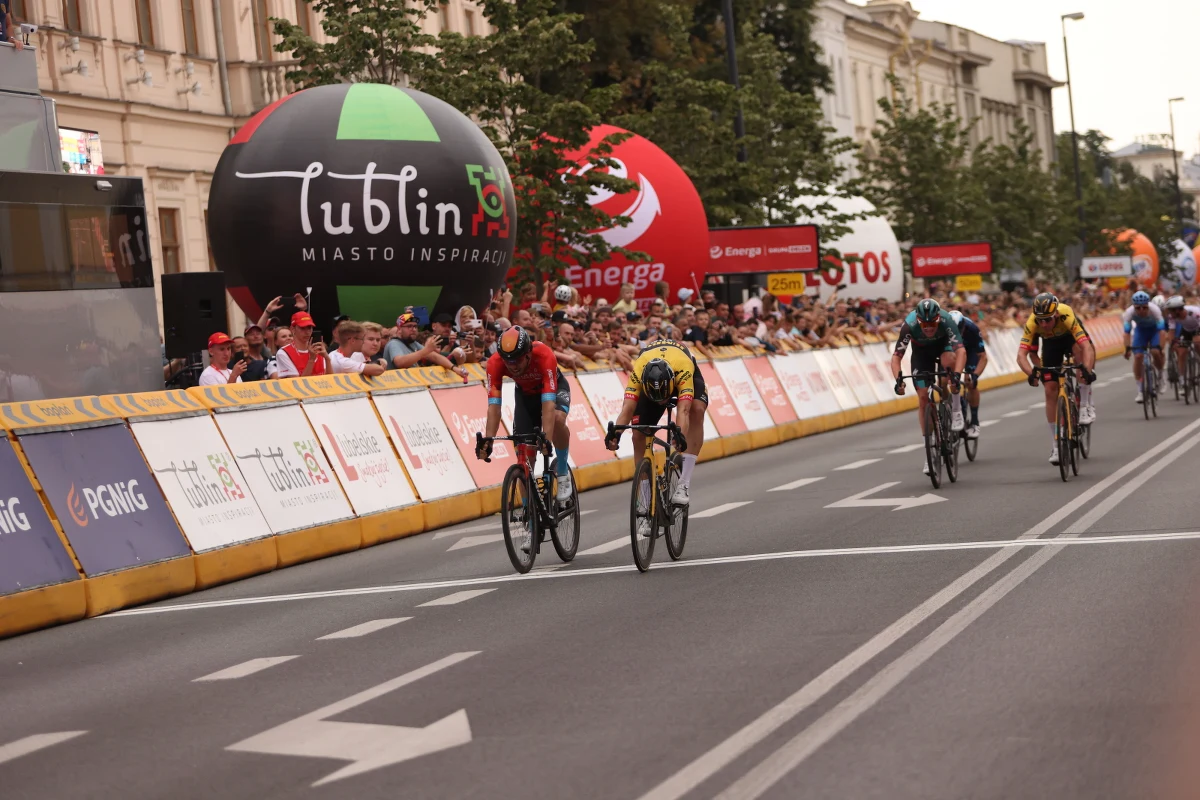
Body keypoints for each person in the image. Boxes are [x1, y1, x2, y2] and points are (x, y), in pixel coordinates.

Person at [605, 337, 708, 511]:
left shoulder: (683, 370)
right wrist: (616, 434)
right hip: (652, 379)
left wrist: (679, 435)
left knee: (696, 410)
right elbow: (627, 408)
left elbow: (683, 410)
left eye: (663, 398)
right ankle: (644, 500)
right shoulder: (638, 372)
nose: (661, 402)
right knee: (638, 434)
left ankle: (683, 484)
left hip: (680, 368)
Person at [477, 327, 575, 506]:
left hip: (553, 389)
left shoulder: (544, 354)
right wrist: (488, 440)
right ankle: (528, 514)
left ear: (528, 353)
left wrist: (546, 438)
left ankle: (562, 473)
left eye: (517, 360)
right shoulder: (495, 363)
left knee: (557, 419)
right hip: (525, 396)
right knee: (524, 458)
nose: (513, 366)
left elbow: (548, 403)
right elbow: (494, 407)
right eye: (508, 361)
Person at [1016, 292, 1097, 465]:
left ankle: (1084, 406)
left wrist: (1087, 371)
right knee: (1049, 389)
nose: (1044, 324)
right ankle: (1056, 444)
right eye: (1040, 320)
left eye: (1048, 320)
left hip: (1070, 338)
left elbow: (1087, 347)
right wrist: (1031, 373)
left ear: (1056, 315)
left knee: (1080, 357)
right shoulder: (1032, 322)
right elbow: (1022, 355)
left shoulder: (1066, 314)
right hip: (1051, 344)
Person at [890, 299, 967, 476]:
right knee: (923, 397)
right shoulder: (909, 325)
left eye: (932, 323)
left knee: (950, 363)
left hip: (943, 347)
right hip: (921, 354)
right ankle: (929, 451)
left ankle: (955, 408)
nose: (929, 328)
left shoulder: (947, 320)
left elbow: (961, 351)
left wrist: (956, 375)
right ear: (918, 321)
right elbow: (896, 358)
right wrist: (898, 380)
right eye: (924, 324)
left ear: (938, 318)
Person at [383, 313, 470, 379]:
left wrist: (455, 369)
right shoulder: (393, 343)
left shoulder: (413, 343)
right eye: (409, 326)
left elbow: (436, 357)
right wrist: (426, 350)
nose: (413, 329)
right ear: (399, 329)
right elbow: (400, 362)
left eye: (415, 326)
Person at [949, 310, 989, 439]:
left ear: (963, 326)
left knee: (970, 383)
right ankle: (954, 406)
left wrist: (975, 375)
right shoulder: (943, 328)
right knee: (945, 380)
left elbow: (983, 357)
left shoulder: (972, 329)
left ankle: (975, 422)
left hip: (970, 351)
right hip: (952, 351)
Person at [1121, 290, 1165, 404]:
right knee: (1138, 356)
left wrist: (1161, 347)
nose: (1141, 310)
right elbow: (1126, 332)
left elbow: (1162, 332)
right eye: (1138, 308)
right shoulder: (1129, 312)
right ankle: (1140, 390)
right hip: (1140, 331)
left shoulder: (1155, 310)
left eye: (1144, 307)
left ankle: (1160, 375)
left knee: (1155, 352)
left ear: (1148, 305)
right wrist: (1127, 349)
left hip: (1155, 331)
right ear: (1134, 307)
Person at [275, 311, 330, 378]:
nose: (307, 332)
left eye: (309, 327)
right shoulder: (283, 353)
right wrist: (311, 359)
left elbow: (331, 379)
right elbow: (298, 384)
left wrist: (327, 359)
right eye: (302, 328)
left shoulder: (318, 349)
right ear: (293, 329)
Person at [1164, 295, 1200, 384]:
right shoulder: (1172, 316)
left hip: (1198, 328)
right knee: (1181, 352)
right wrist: (1172, 343)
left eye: (1171, 310)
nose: (1169, 312)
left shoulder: (1194, 312)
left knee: (1197, 342)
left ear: (1177, 310)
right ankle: (1182, 378)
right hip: (1186, 330)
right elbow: (1172, 331)